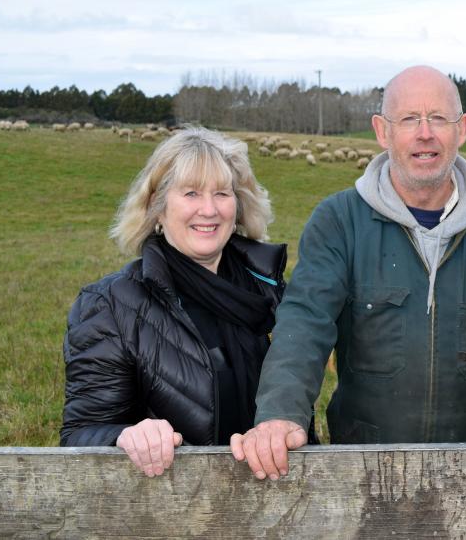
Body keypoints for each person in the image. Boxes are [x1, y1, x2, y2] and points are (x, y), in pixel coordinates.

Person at [231, 65, 466, 480]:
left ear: (461, 129)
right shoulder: (340, 221)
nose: (424, 133)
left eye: (438, 118)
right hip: (368, 472)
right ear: (381, 131)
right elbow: (305, 321)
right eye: (408, 119)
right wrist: (281, 413)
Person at [61, 127, 300, 477]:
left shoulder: (273, 294)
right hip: (172, 511)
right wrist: (125, 436)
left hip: (285, 500)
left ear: (237, 205)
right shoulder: (110, 306)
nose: (208, 209)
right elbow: (80, 434)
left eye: (221, 193)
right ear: (158, 208)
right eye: (191, 193)